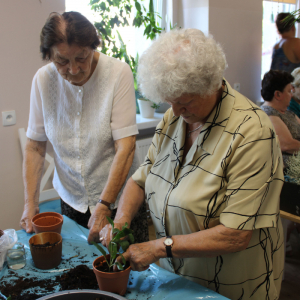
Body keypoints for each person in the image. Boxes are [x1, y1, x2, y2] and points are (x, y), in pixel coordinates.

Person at [100, 29, 284, 300]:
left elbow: (236, 234)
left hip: (230, 286)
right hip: (177, 277)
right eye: (170, 102)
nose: (175, 111)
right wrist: (121, 222)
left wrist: (159, 247)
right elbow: (142, 177)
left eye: (184, 102)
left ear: (211, 85)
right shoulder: (176, 119)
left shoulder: (252, 132)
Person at [19, 11, 149, 244]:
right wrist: (31, 204)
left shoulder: (117, 73)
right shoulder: (42, 80)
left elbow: (126, 147)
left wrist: (104, 205)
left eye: (82, 57)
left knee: (126, 269)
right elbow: (35, 147)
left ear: (92, 47)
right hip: (72, 199)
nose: (74, 69)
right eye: (62, 61)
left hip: (120, 199)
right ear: (48, 56)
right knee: (79, 268)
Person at [261, 69, 300, 256]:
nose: (292, 94)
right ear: (277, 94)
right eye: (289, 90)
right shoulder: (268, 113)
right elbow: (287, 144)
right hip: (287, 169)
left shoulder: (287, 113)